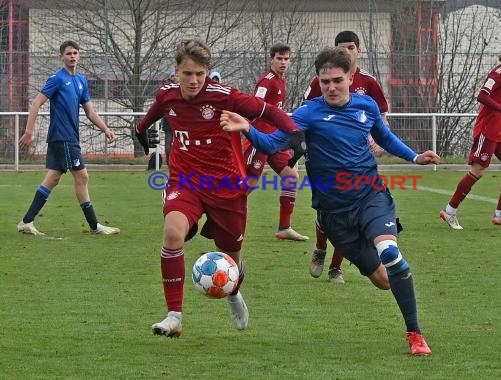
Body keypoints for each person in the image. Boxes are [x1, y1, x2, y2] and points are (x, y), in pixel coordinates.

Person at [221, 47, 439, 356]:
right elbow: (272, 143)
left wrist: (415, 156)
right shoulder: (308, 113)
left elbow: (385, 137)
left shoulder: (366, 106)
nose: (331, 87)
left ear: (351, 77)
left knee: (390, 253)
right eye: (325, 82)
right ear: (318, 81)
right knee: (383, 281)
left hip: (370, 195)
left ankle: (415, 334)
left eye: (338, 80)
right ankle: (323, 226)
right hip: (335, 213)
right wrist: (247, 128)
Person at [134, 38, 304, 338]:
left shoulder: (225, 96)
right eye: (187, 74)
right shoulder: (166, 97)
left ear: (207, 72)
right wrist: (141, 135)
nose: (194, 80)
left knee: (231, 258)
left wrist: (294, 135)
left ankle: (234, 291)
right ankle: (174, 315)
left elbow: (269, 112)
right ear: (177, 72)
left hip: (227, 186)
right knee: (173, 233)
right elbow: (145, 122)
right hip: (185, 181)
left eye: (200, 74)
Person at [305, 31, 391, 282]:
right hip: (324, 160)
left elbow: (381, 115)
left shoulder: (369, 82)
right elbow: (305, 115)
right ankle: (321, 249)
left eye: (351, 48)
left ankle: (336, 267)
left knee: (354, 211)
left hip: (358, 159)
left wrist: (375, 137)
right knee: (328, 212)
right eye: (342, 49)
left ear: (359, 51)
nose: (348, 52)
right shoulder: (319, 81)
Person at [17, 40, 120, 236]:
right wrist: (29, 132)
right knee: (82, 176)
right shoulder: (57, 79)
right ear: (61, 57)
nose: (72, 56)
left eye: (75, 53)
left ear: (79, 56)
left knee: (53, 178)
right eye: (68, 53)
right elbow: (36, 104)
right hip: (62, 137)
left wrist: (106, 129)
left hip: (70, 137)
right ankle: (95, 226)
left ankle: (27, 221)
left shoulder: (81, 81)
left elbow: (90, 111)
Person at [440, 42, 501, 230]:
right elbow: (482, 96)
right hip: (487, 131)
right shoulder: (497, 75)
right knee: (478, 171)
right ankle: (450, 211)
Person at [244, 43, 308, 241]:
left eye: (286, 59)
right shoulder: (267, 82)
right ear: (271, 59)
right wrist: (250, 134)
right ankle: (222, 217)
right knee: (249, 183)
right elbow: (254, 106)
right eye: (279, 58)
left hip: (275, 139)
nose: (283, 62)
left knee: (291, 176)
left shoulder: (281, 81)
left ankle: (285, 227)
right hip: (261, 139)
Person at [160, 67, 178, 167]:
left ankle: (178, 165)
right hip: (168, 124)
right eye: (172, 76)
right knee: (168, 147)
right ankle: (169, 164)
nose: (175, 77)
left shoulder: (183, 89)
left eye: (176, 75)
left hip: (180, 123)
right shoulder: (166, 90)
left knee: (180, 146)